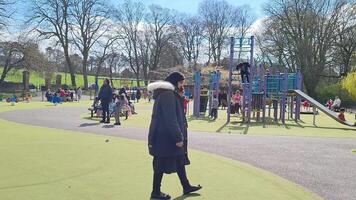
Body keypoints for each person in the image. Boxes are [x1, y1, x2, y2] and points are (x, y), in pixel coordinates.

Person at [147, 72, 202, 200]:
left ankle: (186, 186)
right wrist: (178, 137)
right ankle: (155, 192)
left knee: (178, 160)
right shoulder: (167, 95)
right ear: (175, 82)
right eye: (181, 82)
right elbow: (170, 118)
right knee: (160, 163)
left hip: (164, 135)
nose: (183, 85)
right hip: (165, 137)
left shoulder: (168, 94)